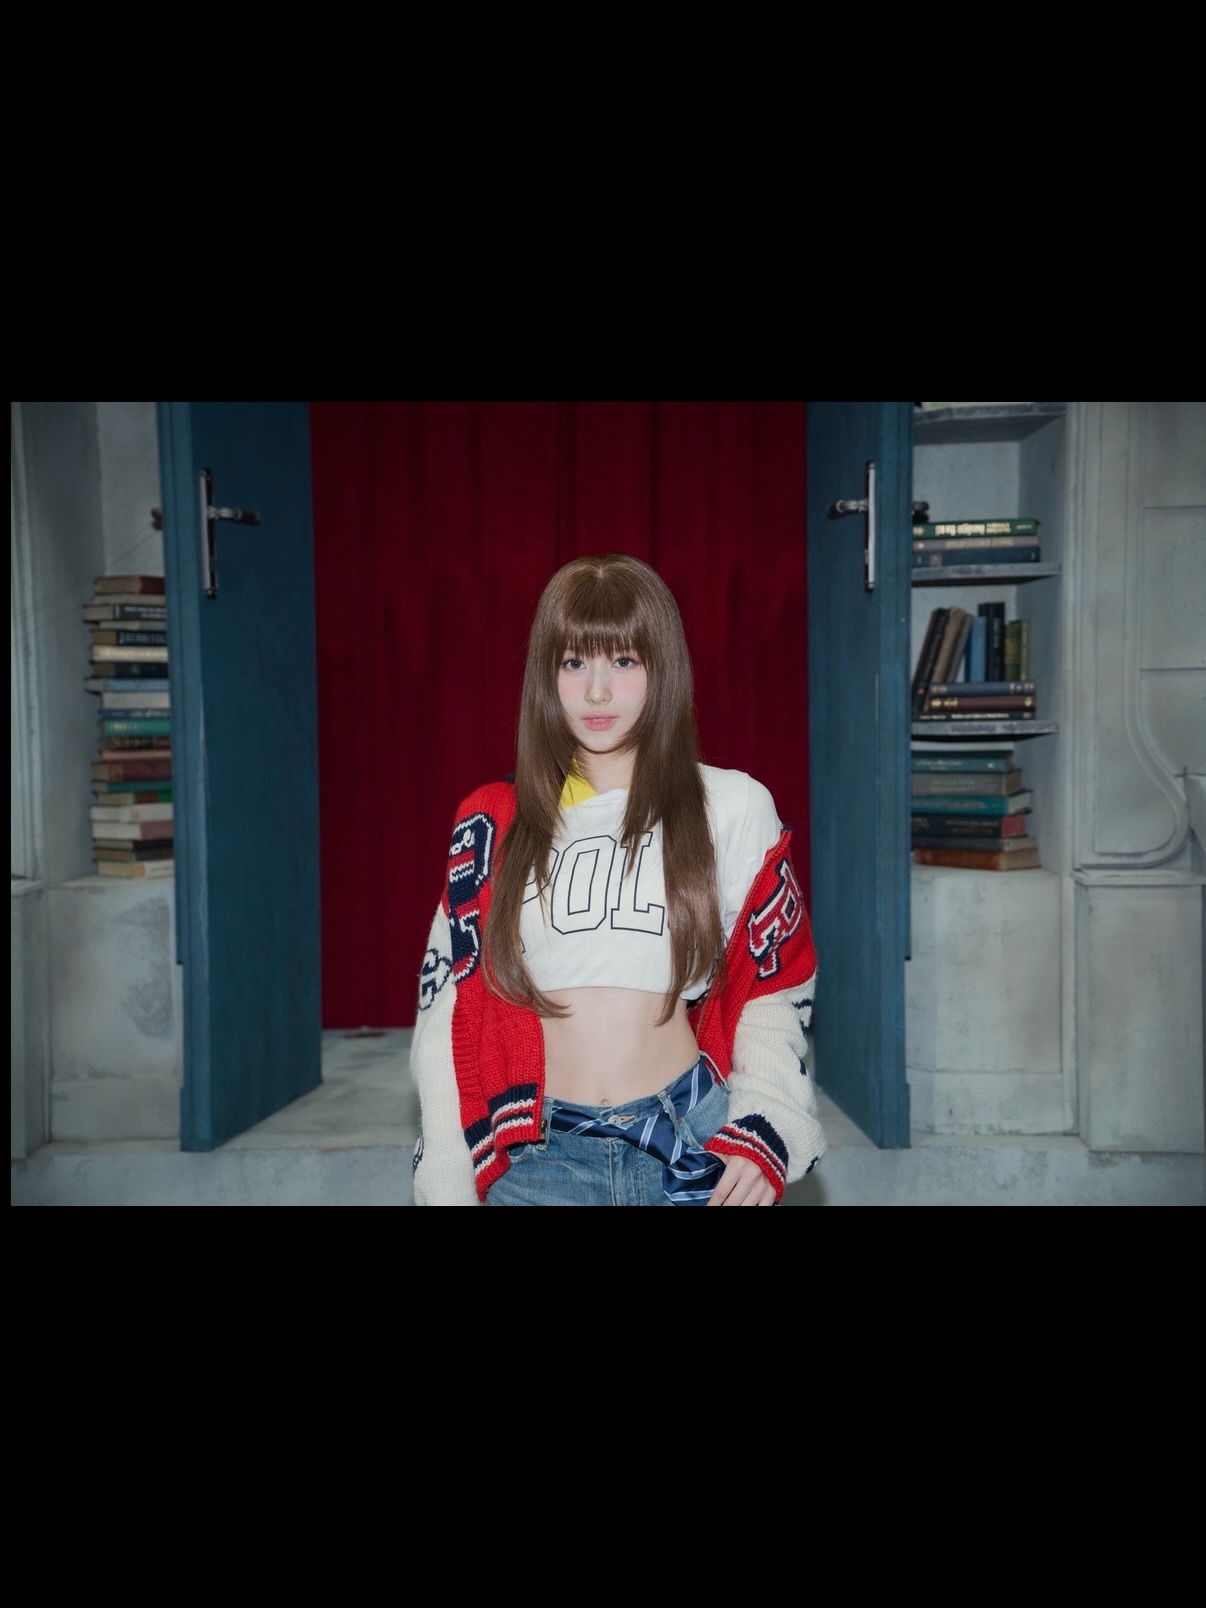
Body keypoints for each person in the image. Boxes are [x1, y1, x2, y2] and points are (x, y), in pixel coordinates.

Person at [410, 553, 825, 1206]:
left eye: (624, 661)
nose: (597, 692)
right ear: (546, 675)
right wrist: (445, 1180)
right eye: (574, 662)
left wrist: (765, 1119)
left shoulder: (732, 805)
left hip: (693, 1145)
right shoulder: (491, 820)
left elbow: (772, 986)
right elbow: (448, 1015)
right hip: (535, 1160)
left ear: (663, 668)